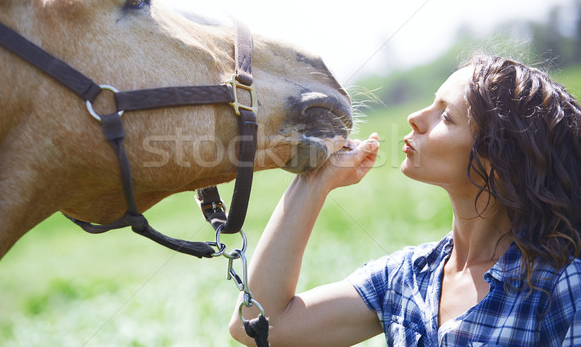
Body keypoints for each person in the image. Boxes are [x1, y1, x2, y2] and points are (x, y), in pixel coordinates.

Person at [229, 55, 581, 346]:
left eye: (446, 116)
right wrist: (313, 184)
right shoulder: (408, 277)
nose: (415, 118)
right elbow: (259, 324)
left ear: (499, 161)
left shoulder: (559, 286)